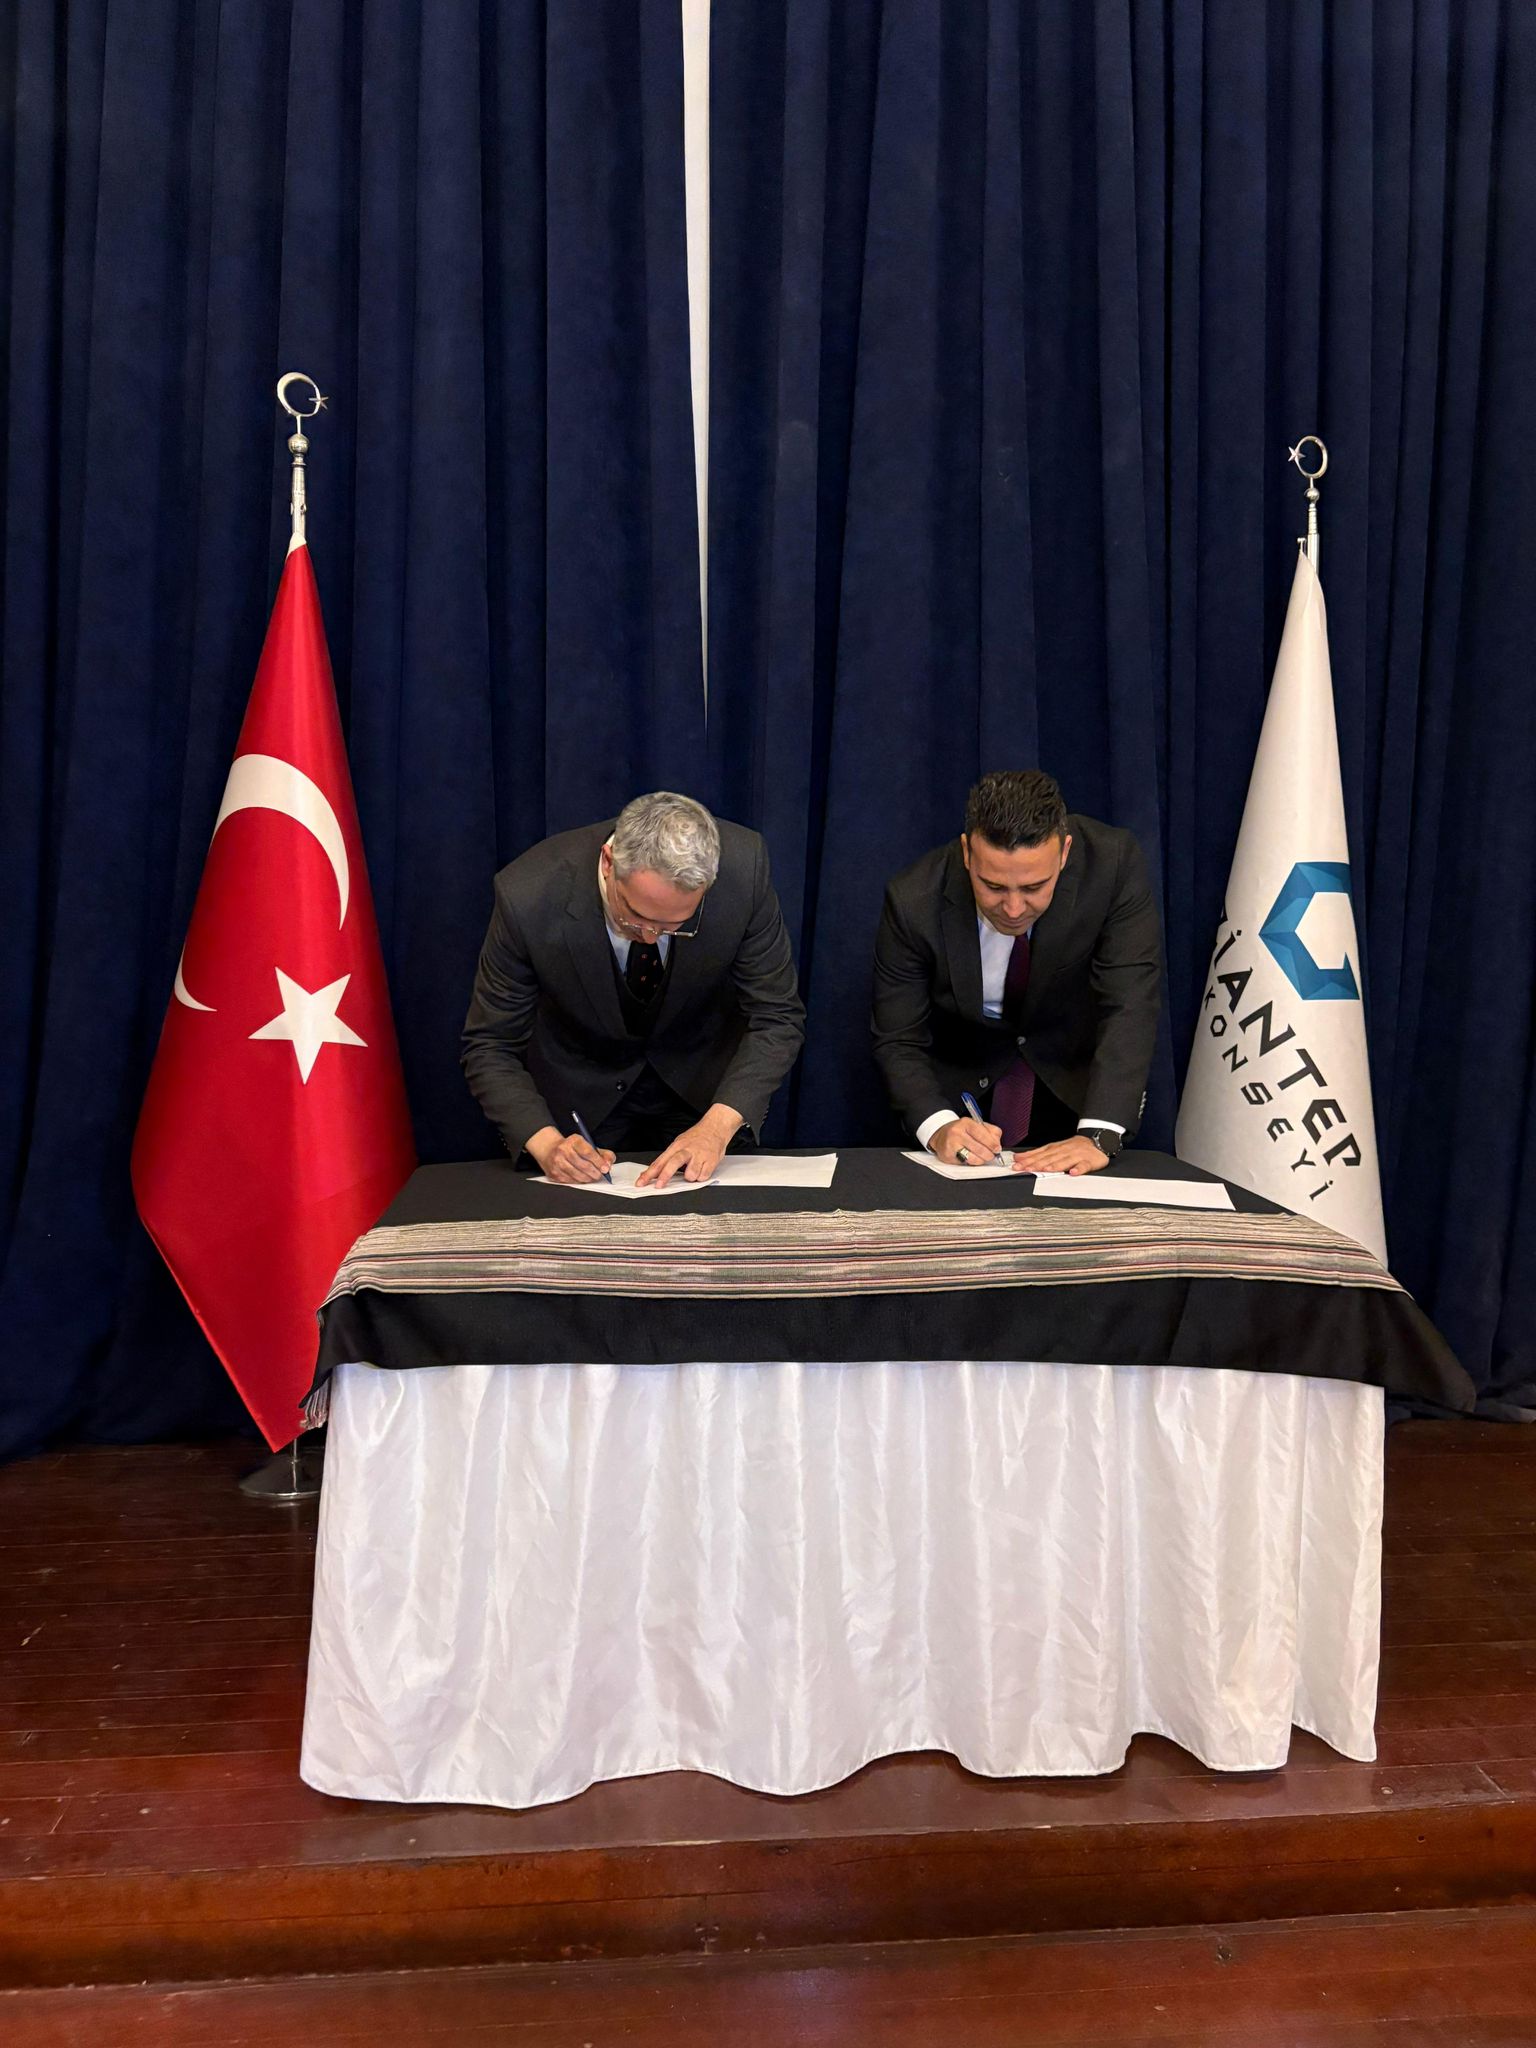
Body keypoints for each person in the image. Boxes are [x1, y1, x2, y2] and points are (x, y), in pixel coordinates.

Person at [463, 792, 804, 1188]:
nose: (650, 937)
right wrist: (547, 1144)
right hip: (581, 1103)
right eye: (636, 917)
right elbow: (490, 1044)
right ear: (609, 863)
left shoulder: (744, 870)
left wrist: (717, 1126)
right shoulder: (528, 894)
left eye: (676, 925)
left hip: (703, 1094)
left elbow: (777, 1017)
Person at [871, 770, 1162, 1175]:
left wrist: (1100, 1133)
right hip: (961, 1100)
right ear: (967, 853)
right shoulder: (914, 900)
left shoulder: (1111, 865)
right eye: (992, 886)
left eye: (1033, 887)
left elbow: (1129, 1004)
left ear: (1064, 853)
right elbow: (899, 1037)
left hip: (1075, 1093)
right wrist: (938, 1127)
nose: (1012, 909)